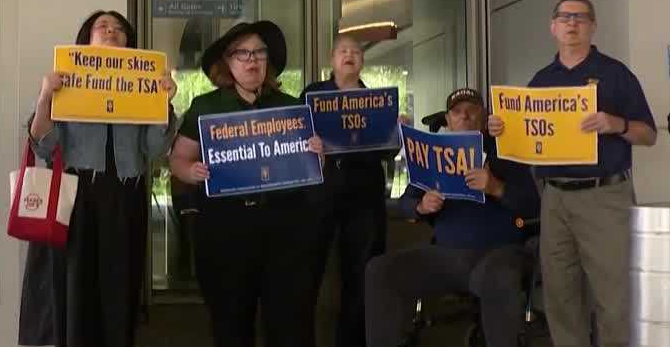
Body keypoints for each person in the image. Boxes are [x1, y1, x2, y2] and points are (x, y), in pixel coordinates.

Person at [488, 0, 656, 347]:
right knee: (561, 295)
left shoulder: (615, 75)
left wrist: (617, 124)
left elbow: (649, 134)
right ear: (553, 27)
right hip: (555, 198)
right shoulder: (540, 81)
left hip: (604, 196)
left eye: (580, 17)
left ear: (593, 27)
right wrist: (503, 129)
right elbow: (527, 137)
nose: (572, 23)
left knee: (612, 296)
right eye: (565, 17)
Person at [21, 10, 177, 347]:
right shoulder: (65, 79)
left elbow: (153, 148)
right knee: (75, 293)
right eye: (102, 26)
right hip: (75, 199)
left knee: (119, 291)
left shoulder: (144, 85)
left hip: (125, 198)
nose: (111, 31)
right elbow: (43, 145)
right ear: (86, 39)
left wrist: (164, 102)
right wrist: (46, 95)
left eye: (119, 29)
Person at [170, 21, 321, 347]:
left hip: (286, 226)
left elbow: (312, 167)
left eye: (258, 53)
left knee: (290, 322)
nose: (251, 60)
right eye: (242, 53)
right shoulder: (206, 107)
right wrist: (191, 171)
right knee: (231, 322)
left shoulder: (292, 107)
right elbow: (177, 160)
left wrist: (317, 155)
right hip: (226, 227)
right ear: (227, 62)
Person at [365, 88, 540, 347]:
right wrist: (422, 207)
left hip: (499, 251)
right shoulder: (434, 154)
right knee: (380, 271)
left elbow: (534, 207)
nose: (465, 116)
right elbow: (404, 204)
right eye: (457, 112)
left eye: (472, 110)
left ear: (484, 115)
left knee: (498, 277)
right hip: (446, 254)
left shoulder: (506, 150)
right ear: (448, 120)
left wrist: (496, 187)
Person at [299, 34, 400, 347]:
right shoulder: (313, 94)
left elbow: (389, 151)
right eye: (343, 51)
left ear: (362, 61)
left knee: (361, 275)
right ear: (332, 60)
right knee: (306, 271)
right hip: (319, 191)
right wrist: (307, 142)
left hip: (364, 193)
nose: (349, 56)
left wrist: (396, 132)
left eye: (356, 51)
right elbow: (292, 135)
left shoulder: (378, 99)